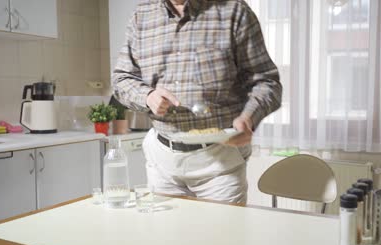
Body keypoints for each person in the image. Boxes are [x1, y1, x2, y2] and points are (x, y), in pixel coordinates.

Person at [112, 0, 282, 204]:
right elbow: (121, 79)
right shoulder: (142, 15)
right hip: (162, 162)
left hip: (219, 164)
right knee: (164, 236)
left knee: (220, 236)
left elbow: (267, 81)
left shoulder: (234, 11)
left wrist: (249, 117)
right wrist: (147, 96)